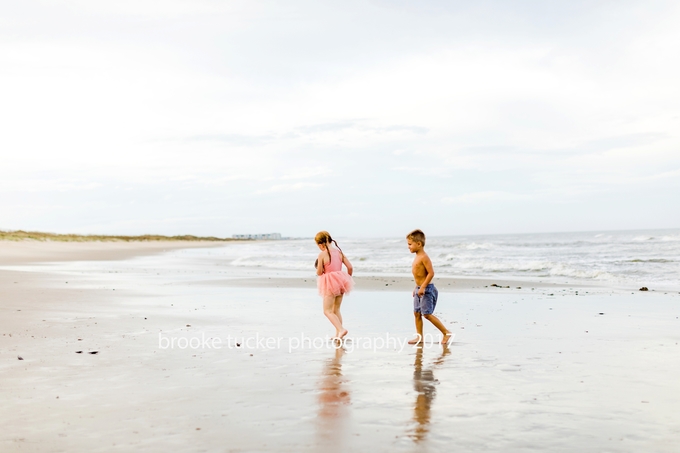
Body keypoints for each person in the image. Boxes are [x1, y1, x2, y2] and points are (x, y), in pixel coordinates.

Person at [406, 229, 452, 345]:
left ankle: (446, 332)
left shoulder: (424, 257)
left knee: (426, 314)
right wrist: (416, 287)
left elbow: (431, 273)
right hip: (419, 289)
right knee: (416, 313)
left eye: (410, 244)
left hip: (426, 289)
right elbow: (419, 275)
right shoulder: (416, 257)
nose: (408, 247)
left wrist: (423, 287)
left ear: (419, 244)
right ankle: (419, 337)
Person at [315, 231, 354, 340]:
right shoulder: (339, 252)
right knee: (336, 309)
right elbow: (350, 267)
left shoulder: (322, 254)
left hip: (329, 282)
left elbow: (319, 272)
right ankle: (338, 334)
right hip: (341, 281)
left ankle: (341, 329)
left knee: (327, 310)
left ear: (320, 244)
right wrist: (347, 279)